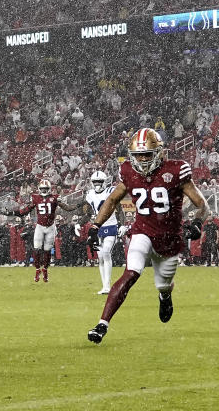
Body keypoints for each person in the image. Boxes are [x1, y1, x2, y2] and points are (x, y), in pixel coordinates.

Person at [87, 128, 208, 344]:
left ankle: (165, 294)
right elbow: (113, 200)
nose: (142, 160)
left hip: (170, 239)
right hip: (142, 232)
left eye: (147, 154)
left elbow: (202, 205)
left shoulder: (176, 170)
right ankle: (102, 324)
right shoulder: (128, 172)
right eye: (138, 155)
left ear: (159, 152)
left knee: (163, 284)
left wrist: (197, 222)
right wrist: (95, 226)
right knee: (131, 273)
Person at [13, 179, 77, 282]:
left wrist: (77, 206)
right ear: (39, 189)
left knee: (47, 251)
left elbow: (66, 208)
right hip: (40, 226)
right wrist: (12, 213)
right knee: (36, 249)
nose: (43, 191)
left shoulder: (54, 198)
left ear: (49, 189)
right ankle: (37, 269)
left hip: (51, 227)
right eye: (42, 189)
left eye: (45, 189)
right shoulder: (36, 198)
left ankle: (45, 269)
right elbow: (25, 211)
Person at [81, 171, 126, 294]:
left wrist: (122, 225)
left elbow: (119, 209)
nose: (97, 184)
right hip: (98, 227)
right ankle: (105, 286)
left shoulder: (110, 191)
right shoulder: (90, 194)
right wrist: (78, 224)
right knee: (100, 257)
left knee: (106, 252)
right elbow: (88, 213)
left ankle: (107, 285)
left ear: (105, 181)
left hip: (111, 225)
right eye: (95, 182)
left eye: (99, 182)